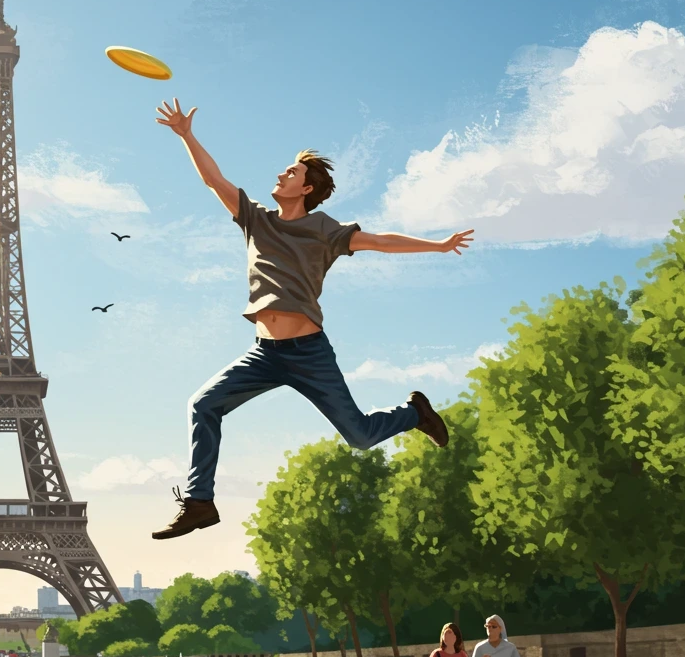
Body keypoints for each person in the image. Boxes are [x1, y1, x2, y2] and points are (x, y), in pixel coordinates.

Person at [150, 99, 474, 539]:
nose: (281, 175)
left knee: (359, 437)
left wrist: (435, 246)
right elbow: (214, 180)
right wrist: (187, 135)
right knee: (203, 405)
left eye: (291, 173)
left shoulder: (324, 230)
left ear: (305, 189)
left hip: (309, 353)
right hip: (263, 354)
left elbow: (379, 241)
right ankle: (200, 502)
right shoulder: (255, 220)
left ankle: (414, 414)